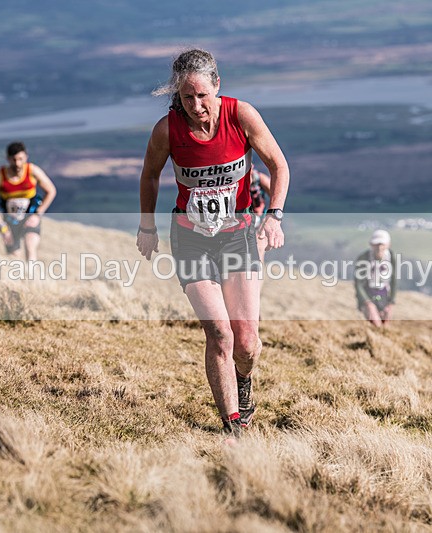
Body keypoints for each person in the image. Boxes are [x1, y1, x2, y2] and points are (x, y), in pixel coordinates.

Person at [136, 49, 290, 437]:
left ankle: (243, 380)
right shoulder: (167, 130)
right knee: (220, 333)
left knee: (247, 343)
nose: (196, 105)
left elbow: (279, 165)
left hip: (239, 236)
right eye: (187, 97)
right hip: (191, 239)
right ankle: (233, 425)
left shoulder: (241, 115)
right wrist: (147, 226)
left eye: (202, 95)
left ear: (217, 85)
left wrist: (274, 216)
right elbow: (150, 175)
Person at [0, 141, 57, 262]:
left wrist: (38, 214)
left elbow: (51, 191)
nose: (17, 163)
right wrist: (2, 227)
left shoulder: (32, 171)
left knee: (30, 248)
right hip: (10, 221)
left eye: (20, 159)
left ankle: (31, 273)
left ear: (26, 157)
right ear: (8, 159)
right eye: (14, 160)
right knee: (14, 257)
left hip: (30, 217)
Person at [355, 229, 397, 327]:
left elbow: (394, 280)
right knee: (375, 323)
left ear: (388, 244)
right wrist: (368, 303)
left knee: (385, 324)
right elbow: (358, 284)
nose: (379, 247)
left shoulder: (391, 257)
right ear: (371, 244)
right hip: (368, 295)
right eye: (376, 244)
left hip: (384, 295)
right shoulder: (363, 258)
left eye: (382, 244)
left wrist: (391, 302)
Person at [250, 166, 273, 263]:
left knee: (259, 254)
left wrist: (271, 216)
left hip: (259, 222)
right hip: (242, 224)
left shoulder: (259, 178)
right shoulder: (234, 179)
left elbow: (275, 194)